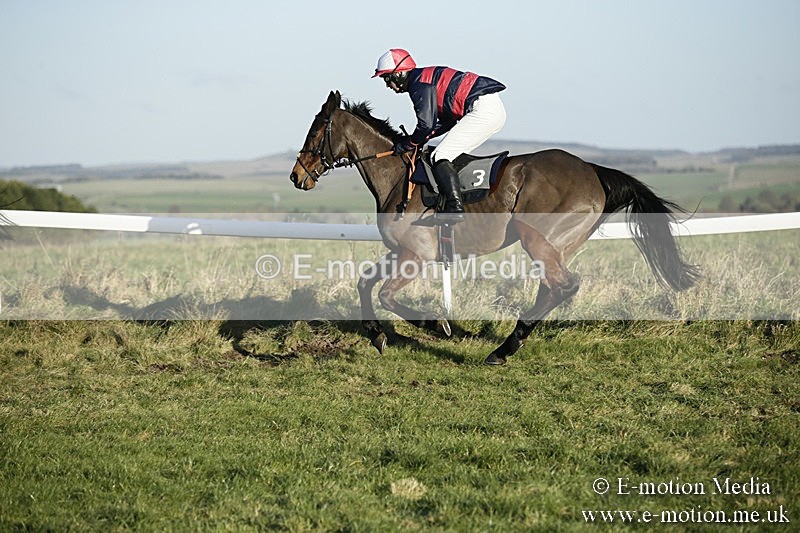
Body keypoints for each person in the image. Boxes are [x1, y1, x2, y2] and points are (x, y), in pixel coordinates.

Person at [372, 48, 506, 221]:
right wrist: (419, 140)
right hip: (489, 107)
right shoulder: (423, 78)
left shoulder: (419, 85)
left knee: (440, 155)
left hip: (483, 110)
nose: (387, 85)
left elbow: (425, 126)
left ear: (399, 74)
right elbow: (446, 122)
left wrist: (408, 143)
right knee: (448, 154)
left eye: (386, 78)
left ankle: (454, 208)